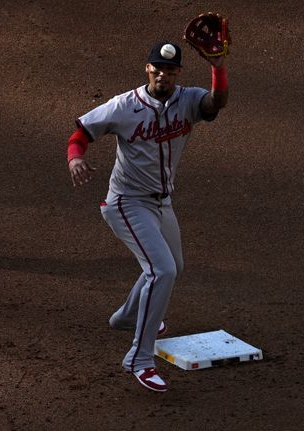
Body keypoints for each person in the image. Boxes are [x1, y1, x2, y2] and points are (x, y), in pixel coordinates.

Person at [66, 42, 229, 392]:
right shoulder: (124, 106)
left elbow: (215, 103)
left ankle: (126, 317)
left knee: (174, 267)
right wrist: (75, 158)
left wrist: (217, 67)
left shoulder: (187, 100)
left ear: (177, 73)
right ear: (147, 69)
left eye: (170, 70)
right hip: (126, 203)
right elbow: (80, 133)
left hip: (161, 203)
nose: (163, 75)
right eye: (157, 68)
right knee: (162, 270)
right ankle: (139, 359)